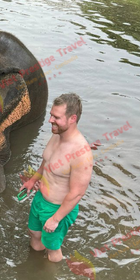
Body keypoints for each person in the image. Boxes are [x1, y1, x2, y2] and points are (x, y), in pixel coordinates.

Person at [20, 93, 93, 262]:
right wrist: (32, 180)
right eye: (51, 115)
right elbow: (46, 163)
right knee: (34, 234)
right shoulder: (56, 134)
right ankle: (32, 270)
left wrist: (55, 219)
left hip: (57, 208)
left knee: (52, 249)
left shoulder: (81, 153)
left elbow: (77, 193)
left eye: (56, 117)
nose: (50, 120)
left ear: (72, 118)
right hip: (40, 199)